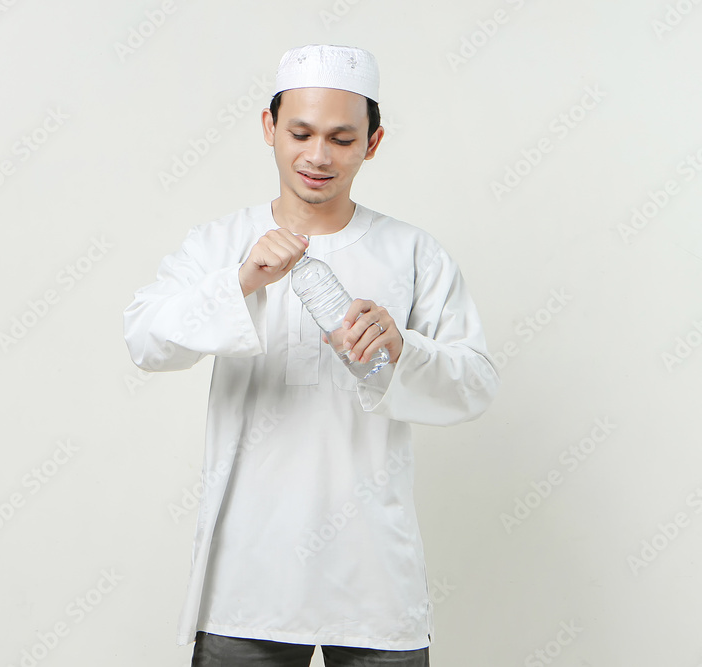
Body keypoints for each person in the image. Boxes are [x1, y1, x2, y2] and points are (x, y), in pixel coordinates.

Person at [123, 43, 500, 667]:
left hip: (376, 575)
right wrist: (241, 281)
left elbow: (476, 384)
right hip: (248, 579)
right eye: (300, 132)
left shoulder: (411, 253)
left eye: (342, 139)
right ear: (269, 128)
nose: (318, 156)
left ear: (372, 143)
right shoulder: (219, 243)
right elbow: (144, 341)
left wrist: (402, 349)